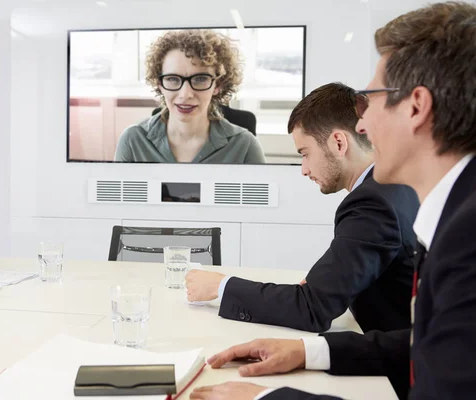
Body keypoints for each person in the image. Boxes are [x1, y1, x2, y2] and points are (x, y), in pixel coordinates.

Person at [189, 2, 476, 399]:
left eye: (372, 99)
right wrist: (312, 350)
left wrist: (262, 398)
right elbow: (430, 344)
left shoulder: (465, 237)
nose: (362, 123)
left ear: (416, 106)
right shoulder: (454, 212)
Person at [185, 82, 419, 333]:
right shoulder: (397, 184)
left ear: (338, 143)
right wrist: (323, 284)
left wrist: (221, 286)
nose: (304, 169)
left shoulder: (372, 204)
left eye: (305, 153)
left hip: (399, 364)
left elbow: (311, 309)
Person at [114, 29, 266, 164]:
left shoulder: (245, 146)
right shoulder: (132, 141)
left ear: (218, 85)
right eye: (172, 79)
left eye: (200, 79)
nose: (185, 94)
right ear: (159, 83)